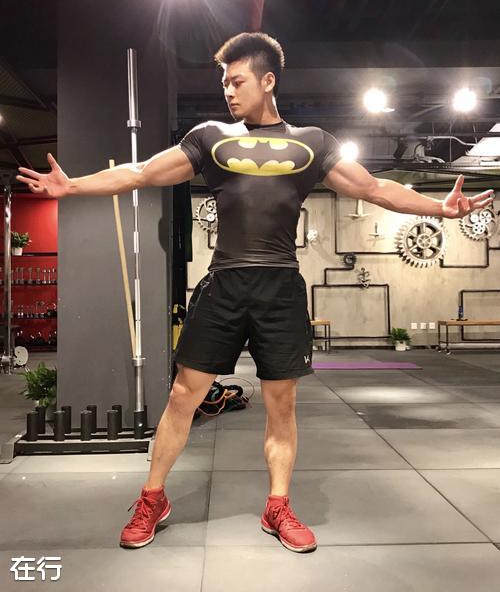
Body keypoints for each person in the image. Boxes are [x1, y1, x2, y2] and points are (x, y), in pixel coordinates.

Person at [17, 32, 494, 554]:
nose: (228, 90)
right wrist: (73, 186)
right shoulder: (210, 138)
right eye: (224, 82)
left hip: (280, 286)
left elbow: (374, 188)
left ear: (268, 81)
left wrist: (440, 208)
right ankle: (153, 497)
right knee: (182, 395)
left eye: (237, 81)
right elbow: (142, 173)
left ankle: (278, 505)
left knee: (281, 404)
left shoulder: (312, 143)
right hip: (224, 282)